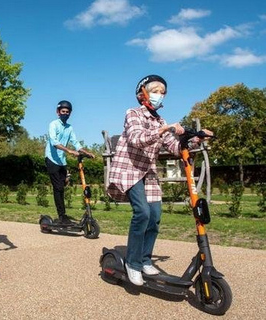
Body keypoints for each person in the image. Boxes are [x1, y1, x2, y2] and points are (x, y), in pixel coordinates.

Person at [107, 75, 213, 286]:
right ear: (142, 94)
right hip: (129, 170)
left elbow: (174, 147)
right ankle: (133, 264)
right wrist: (164, 129)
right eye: (156, 90)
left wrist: (196, 139)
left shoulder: (160, 121)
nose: (160, 95)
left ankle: (145, 260)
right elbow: (138, 139)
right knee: (143, 212)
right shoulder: (133, 113)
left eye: (163, 92)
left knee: (154, 216)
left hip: (148, 172)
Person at [45, 100, 95, 225]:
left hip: (62, 161)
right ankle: (62, 217)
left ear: (70, 113)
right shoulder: (53, 124)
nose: (65, 114)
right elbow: (54, 142)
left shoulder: (69, 128)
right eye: (63, 111)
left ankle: (63, 215)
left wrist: (86, 152)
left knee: (62, 187)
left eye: (67, 112)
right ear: (58, 112)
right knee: (58, 188)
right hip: (52, 159)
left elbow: (76, 143)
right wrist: (69, 151)